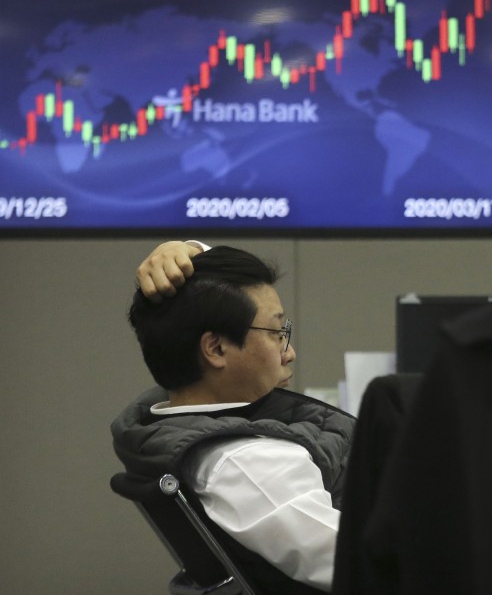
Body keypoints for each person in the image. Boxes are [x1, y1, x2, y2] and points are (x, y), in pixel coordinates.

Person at [112, 244, 356, 593]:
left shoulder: (167, 423)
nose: (289, 353)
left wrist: (191, 249)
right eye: (276, 334)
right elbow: (367, 566)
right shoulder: (249, 465)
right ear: (216, 349)